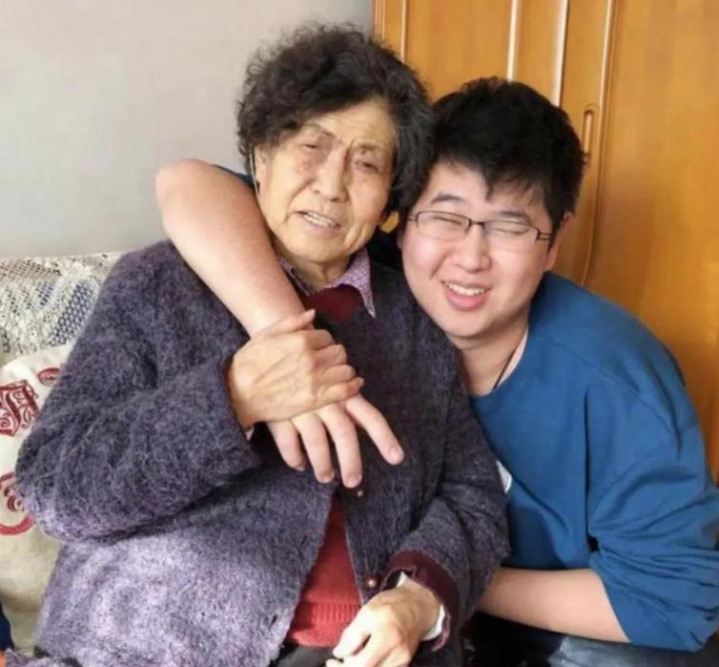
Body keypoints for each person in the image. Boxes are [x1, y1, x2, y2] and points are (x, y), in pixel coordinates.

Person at [156, 77, 719, 665]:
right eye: (445, 217)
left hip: (560, 630)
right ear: (399, 221)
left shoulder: (617, 379)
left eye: (510, 227)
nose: (470, 258)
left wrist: (439, 585)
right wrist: (291, 348)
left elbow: (675, 604)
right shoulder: (376, 274)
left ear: (554, 243)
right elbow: (189, 184)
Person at [12, 27, 508, 667]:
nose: (331, 185)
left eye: (366, 163)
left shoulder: (415, 318)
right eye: (311, 147)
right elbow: (57, 488)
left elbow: (472, 494)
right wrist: (233, 398)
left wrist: (418, 596)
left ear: (390, 198)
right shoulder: (158, 285)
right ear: (261, 156)